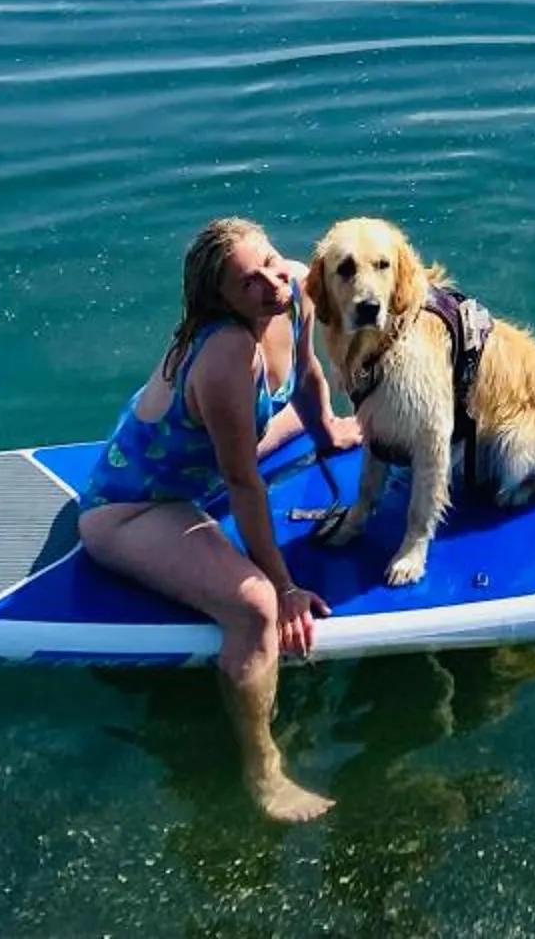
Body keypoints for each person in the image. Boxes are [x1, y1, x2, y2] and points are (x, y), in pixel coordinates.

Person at [78, 216, 365, 821]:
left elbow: (309, 376)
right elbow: (242, 482)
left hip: (202, 466)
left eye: (268, 261)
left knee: (287, 420)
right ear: (222, 302)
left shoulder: (295, 288)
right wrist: (282, 586)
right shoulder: (225, 353)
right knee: (254, 609)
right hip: (134, 508)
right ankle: (263, 774)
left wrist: (331, 429)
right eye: (248, 284)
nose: (271, 284)